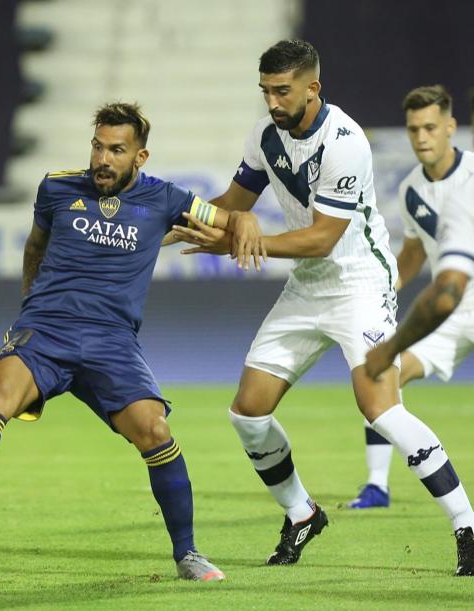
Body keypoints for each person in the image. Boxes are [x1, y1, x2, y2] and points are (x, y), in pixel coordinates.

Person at [0, 101, 264, 582]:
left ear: (139, 158)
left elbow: (226, 218)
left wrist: (243, 220)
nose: (103, 159)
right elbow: (36, 246)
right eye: (98, 147)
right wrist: (29, 310)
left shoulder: (165, 199)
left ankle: (187, 554)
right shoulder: (57, 187)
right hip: (46, 330)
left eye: (116, 150)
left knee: (155, 431)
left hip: (112, 343)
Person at [173, 40, 474, 575]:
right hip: (308, 285)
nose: (271, 101)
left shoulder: (345, 140)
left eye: (281, 90)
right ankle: (301, 513)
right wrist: (162, 218)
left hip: (360, 281)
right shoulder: (264, 138)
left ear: (313, 88)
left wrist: (247, 240)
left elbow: (323, 238)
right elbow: (230, 207)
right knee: (248, 411)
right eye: (265, 90)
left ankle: (465, 525)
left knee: (379, 407)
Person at [349, 86, 474, 509]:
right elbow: (414, 254)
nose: (422, 137)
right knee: (380, 377)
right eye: (414, 129)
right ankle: (377, 485)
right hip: (451, 315)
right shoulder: (411, 192)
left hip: (453, 299)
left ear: (450, 128)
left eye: (431, 128)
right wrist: (383, 289)